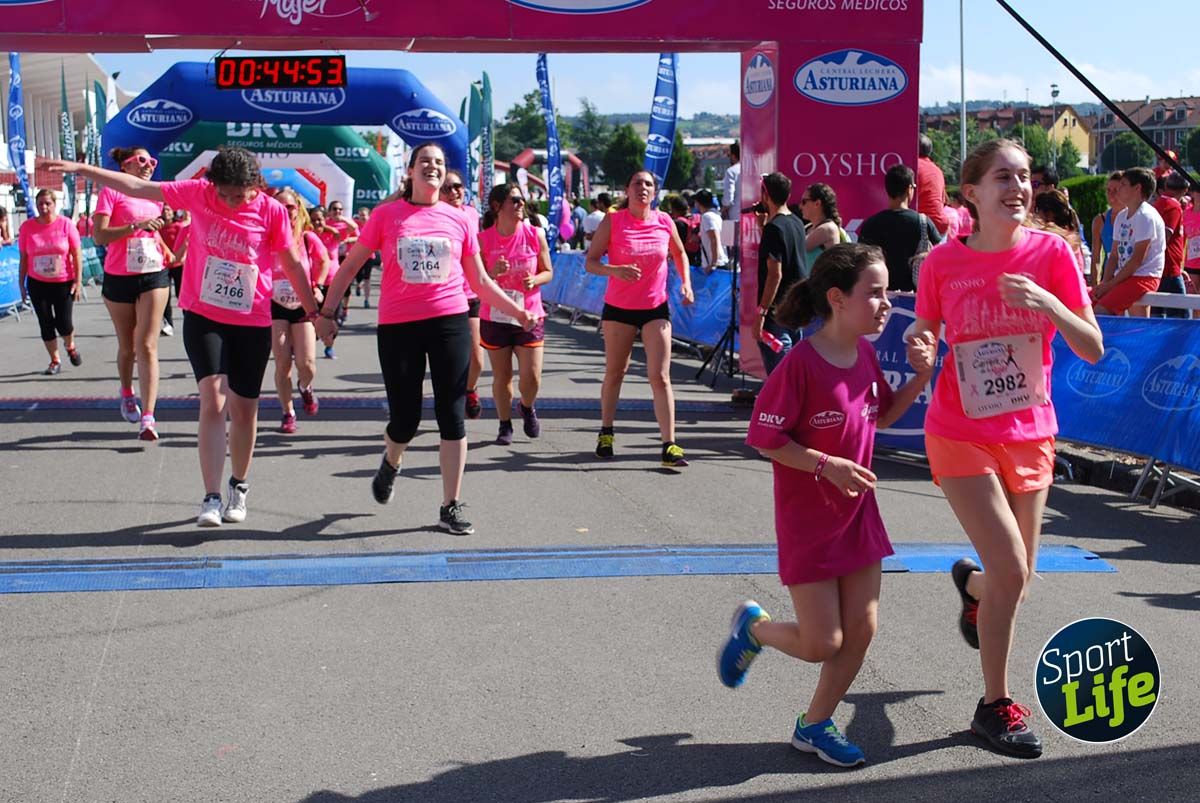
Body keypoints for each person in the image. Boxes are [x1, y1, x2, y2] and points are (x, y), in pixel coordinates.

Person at [910, 138, 1103, 759]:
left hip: (1030, 432)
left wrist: (1048, 303)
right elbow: (926, 329)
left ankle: (974, 594)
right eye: (1002, 177)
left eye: (1023, 177)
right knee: (1013, 568)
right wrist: (920, 344)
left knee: (1014, 580)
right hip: (958, 431)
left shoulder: (1053, 253)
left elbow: (1093, 345)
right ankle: (994, 706)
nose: (1017, 187)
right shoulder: (941, 263)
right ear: (971, 193)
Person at [720, 243, 936, 768]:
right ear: (838, 298)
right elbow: (763, 439)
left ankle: (814, 724)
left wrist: (923, 376)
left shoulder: (863, 353)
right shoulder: (799, 365)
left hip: (858, 516)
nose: (888, 304)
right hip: (809, 521)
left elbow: (881, 417)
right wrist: (826, 465)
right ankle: (755, 629)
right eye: (877, 293)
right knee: (823, 641)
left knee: (862, 630)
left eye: (889, 292)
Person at [48, 147, 322, 527]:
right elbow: (135, 186)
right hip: (204, 313)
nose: (229, 201)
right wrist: (82, 169)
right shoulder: (198, 193)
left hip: (251, 318)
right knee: (212, 399)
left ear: (254, 186)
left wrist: (314, 312)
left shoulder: (271, 211)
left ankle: (238, 486)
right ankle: (211, 496)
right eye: (223, 193)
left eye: (237, 195)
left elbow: (291, 263)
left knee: (244, 410)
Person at [315, 142, 536, 536]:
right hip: (399, 326)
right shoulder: (387, 216)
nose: (432, 167)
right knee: (406, 419)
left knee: (451, 416)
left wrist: (518, 311)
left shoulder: (460, 220)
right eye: (424, 162)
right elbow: (350, 265)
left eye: (438, 163)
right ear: (411, 172)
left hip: (449, 321)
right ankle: (392, 459)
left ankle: (450, 505)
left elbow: (480, 281)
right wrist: (327, 314)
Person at [585, 169, 694, 468]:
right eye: (637, 183)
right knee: (616, 372)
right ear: (627, 190)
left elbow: (680, 253)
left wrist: (686, 283)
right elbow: (591, 262)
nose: (642, 188)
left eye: (648, 185)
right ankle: (606, 432)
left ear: (655, 192)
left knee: (659, 376)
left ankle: (669, 444)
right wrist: (614, 271)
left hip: (655, 307)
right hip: (619, 309)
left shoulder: (664, 221)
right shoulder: (614, 220)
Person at [93, 146, 172, 441]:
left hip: (153, 274)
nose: (149, 165)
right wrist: (135, 226)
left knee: (148, 345)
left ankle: (149, 417)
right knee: (128, 347)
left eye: (152, 161)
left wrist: (162, 235)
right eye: (141, 160)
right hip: (119, 277)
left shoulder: (154, 194)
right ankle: (127, 392)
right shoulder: (111, 192)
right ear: (125, 166)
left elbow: (153, 231)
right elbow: (99, 236)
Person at [478, 183, 554, 445]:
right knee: (503, 376)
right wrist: (492, 273)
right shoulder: (484, 239)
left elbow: (549, 271)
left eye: (522, 199)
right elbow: (476, 279)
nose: (521, 204)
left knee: (531, 377)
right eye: (514, 200)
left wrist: (535, 280)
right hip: (495, 316)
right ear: (498, 206)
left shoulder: (535, 234)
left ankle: (526, 406)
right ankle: (504, 424)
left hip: (529, 315)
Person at [271, 189, 330, 434]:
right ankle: (288, 412)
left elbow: (324, 260)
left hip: (302, 303)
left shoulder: (307, 238)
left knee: (307, 364)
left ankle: (305, 388)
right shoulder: (268, 237)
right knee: (282, 362)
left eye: (290, 207)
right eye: (281, 207)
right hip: (275, 303)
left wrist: (317, 285)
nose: (286, 211)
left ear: (298, 208)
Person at [18, 189, 84, 375]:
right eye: (40, 204)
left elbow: (76, 254)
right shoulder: (27, 227)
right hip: (37, 282)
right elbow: (24, 257)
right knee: (45, 323)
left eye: (48, 203)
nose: (44, 207)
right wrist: (21, 284)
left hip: (63, 281)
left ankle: (70, 345)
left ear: (55, 204)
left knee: (64, 323)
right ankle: (55, 360)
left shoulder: (66, 225)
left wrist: (78, 282)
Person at [440, 169, 488, 422]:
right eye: (447, 188)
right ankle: (451, 402)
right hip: (442, 297)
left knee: (477, 358)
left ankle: (470, 389)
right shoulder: (432, 214)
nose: (454, 192)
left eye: (457, 186)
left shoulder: (471, 213)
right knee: (447, 360)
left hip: (469, 294)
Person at [754, 171, 809, 374]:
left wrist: (762, 312)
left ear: (765, 196)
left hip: (777, 312)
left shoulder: (774, 228)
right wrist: (763, 227)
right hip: (796, 307)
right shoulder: (796, 222)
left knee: (780, 375)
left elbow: (775, 274)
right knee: (792, 371)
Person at [857, 163, 943, 292]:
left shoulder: (871, 224)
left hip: (881, 294)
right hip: (914, 296)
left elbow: (861, 260)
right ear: (909, 189)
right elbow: (939, 253)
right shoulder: (922, 222)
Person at [1094, 167, 1165, 317]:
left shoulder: (1146, 216)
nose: (1117, 189)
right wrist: (1105, 284)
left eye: (1123, 185)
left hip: (1145, 277)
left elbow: (1136, 261)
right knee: (1089, 301)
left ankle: (1107, 340)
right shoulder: (1121, 216)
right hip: (1126, 276)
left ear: (1137, 188)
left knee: (1101, 311)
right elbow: (1113, 256)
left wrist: (1109, 286)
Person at [1151, 172, 1188, 318]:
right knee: (1182, 316)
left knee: (1157, 316)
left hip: (1158, 268)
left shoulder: (1158, 204)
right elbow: (1165, 235)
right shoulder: (1173, 206)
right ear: (1185, 190)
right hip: (1170, 270)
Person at [309, 205, 343, 357]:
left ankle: (329, 346)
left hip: (333, 283)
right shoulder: (306, 237)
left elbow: (345, 230)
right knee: (312, 318)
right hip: (313, 284)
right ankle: (307, 347)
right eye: (314, 220)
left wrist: (326, 226)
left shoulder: (332, 235)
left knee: (333, 317)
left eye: (320, 219)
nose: (317, 223)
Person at [1031, 190, 1086, 276]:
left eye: (1037, 211)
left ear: (1049, 215)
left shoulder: (1053, 241)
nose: (1034, 215)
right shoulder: (1071, 237)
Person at [159, 206, 190, 337]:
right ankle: (168, 324)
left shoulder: (178, 226)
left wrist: (179, 256)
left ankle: (188, 321)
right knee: (165, 297)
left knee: (181, 294)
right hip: (164, 265)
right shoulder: (158, 228)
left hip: (178, 264)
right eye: (164, 210)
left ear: (173, 212)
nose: (167, 212)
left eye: (169, 210)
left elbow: (186, 242)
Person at [800, 183, 846, 267]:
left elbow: (795, 249)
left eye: (804, 202)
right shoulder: (808, 227)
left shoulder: (827, 228)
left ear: (817, 203)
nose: (800, 206)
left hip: (821, 280)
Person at [1089, 173, 1122, 287]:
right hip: (1109, 280)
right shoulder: (1100, 221)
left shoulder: (1135, 217)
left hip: (1130, 279)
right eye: (1108, 190)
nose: (1111, 194)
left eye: (1116, 190)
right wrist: (1095, 285)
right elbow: (1096, 257)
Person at [916, 134, 950, 236]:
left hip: (922, 227)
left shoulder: (913, 166)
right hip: (940, 227)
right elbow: (942, 201)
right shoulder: (937, 170)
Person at [695, 189, 728, 272]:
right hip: (721, 261)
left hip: (715, 266)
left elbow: (714, 238)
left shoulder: (707, 217)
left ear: (698, 203)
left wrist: (713, 263)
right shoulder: (716, 215)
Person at [353, 206, 379, 309]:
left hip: (369, 256)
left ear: (369, 216)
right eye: (360, 215)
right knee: (358, 276)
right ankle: (359, 285)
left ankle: (366, 300)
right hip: (358, 255)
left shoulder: (373, 226)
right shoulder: (356, 225)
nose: (362, 217)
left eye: (364, 215)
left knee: (367, 278)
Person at [721, 140, 741, 222]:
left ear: (733, 156)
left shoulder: (731, 171)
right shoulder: (752, 169)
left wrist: (724, 210)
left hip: (735, 215)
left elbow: (728, 198)